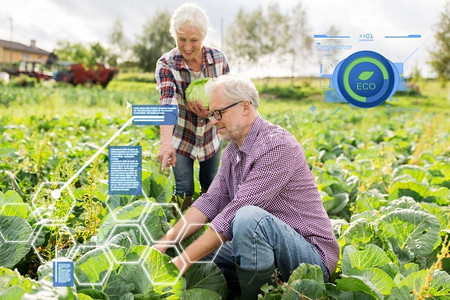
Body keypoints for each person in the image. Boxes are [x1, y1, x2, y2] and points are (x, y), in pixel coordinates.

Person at [154, 75, 340, 299]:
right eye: (211, 114)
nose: (213, 121)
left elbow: (235, 214)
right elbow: (210, 201)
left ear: (245, 107)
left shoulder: (277, 145)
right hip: (263, 248)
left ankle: (259, 295)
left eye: (218, 113)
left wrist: (182, 262)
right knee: (192, 250)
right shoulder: (233, 151)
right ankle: (259, 285)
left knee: (247, 217)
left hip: (310, 258)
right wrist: (166, 242)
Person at [156, 3, 230, 210]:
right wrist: (166, 143)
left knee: (212, 188)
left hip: (211, 136)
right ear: (174, 36)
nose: (187, 46)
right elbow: (167, 102)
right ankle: (182, 233)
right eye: (182, 40)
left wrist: (211, 114)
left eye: (194, 40)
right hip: (182, 137)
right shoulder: (166, 64)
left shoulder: (218, 60)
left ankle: (210, 233)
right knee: (183, 190)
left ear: (204, 36)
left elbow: (230, 97)